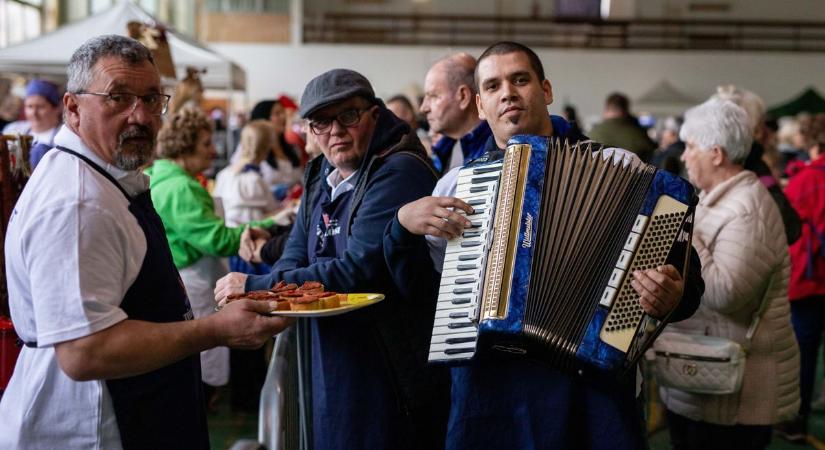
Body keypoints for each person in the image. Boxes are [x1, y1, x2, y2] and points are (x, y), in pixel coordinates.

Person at [384, 41, 703, 450]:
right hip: (490, 390)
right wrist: (400, 227)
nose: (509, 93)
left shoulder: (621, 167)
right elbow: (422, 291)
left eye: (520, 79)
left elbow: (685, 278)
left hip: (589, 389)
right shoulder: (456, 186)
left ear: (546, 90)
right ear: (480, 106)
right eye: (494, 86)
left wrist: (673, 296)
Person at [0, 34, 290, 450]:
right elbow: (84, 351)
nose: (141, 116)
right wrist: (214, 330)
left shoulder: (106, 176)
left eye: (152, 99)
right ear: (73, 107)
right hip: (94, 428)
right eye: (118, 98)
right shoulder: (78, 203)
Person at [214, 69, 444, 449]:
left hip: (386, 361)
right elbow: (296, 250)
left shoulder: (399, 170)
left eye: (348, 116)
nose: (335, 130)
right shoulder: (323, 171)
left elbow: (358, 270)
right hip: (331, 351)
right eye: (321, 121)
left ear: (373, 114)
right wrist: (284, 284)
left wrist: (258, 286)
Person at [660, 97, 799, 450]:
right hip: (706, 379)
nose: (685, 155)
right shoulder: (717, 198)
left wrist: (689, 236)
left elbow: (724, 293)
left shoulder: (747, 210)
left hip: (731, 394)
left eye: (691, 146)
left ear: (717, 154)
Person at [145, 105, 276, 407]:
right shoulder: (181, 188)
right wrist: (271, 224)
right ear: (184, 146)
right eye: (205, 143)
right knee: (200, 375)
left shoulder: (159, 175)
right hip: (195, 286)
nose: (212, 150)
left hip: (182, 280)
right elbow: (217, 240)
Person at [775, 126, 825, 443]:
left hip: (812, 278)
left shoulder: (806, 179)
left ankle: (796, 421)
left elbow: (785, 223)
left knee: (805, 352)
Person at [420, 53, 492, 175]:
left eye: (433, 96)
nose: (423, 108)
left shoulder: (496, 150)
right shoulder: (444, 149)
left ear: (463, 96)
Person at [233, 99, 304, 194]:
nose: (283, 117)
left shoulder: (293, 149)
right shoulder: (248, 148)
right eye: (277, 113)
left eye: (283, 112)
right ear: (263, 119)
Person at [2, 79, 62, 168]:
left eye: (40, 107)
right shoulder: (12, 129)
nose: (34, 113)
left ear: (57, 108)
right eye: (30, 106)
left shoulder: (64, 136)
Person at [588, 92, 656, 162]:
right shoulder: (639, 134)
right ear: (626, 110)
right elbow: (652, 153)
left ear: (606, 109)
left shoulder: (593, 133)